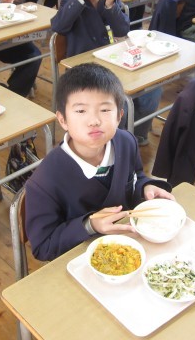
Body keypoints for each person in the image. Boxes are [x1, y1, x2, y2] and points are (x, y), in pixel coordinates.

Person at [25, 63, 174, 261]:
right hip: (81, 259)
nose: (94, 120)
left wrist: (146, 187)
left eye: (104, 110)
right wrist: (90, 225)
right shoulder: (45, 180)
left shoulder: (126, 142)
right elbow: (43, 246)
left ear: (119, 116)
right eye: (81, 111)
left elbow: (136, 177)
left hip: (129, 245)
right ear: (63, 120)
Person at [52, 0, 161, 146]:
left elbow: (123, 30)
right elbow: (59, 26)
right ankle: (116, 140)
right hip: (84, 67)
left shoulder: (108, 0)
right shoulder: (70, 1)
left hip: (111, 59)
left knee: (152, 87)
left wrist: (111, 5)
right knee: (120, 101)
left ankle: (138, 133)